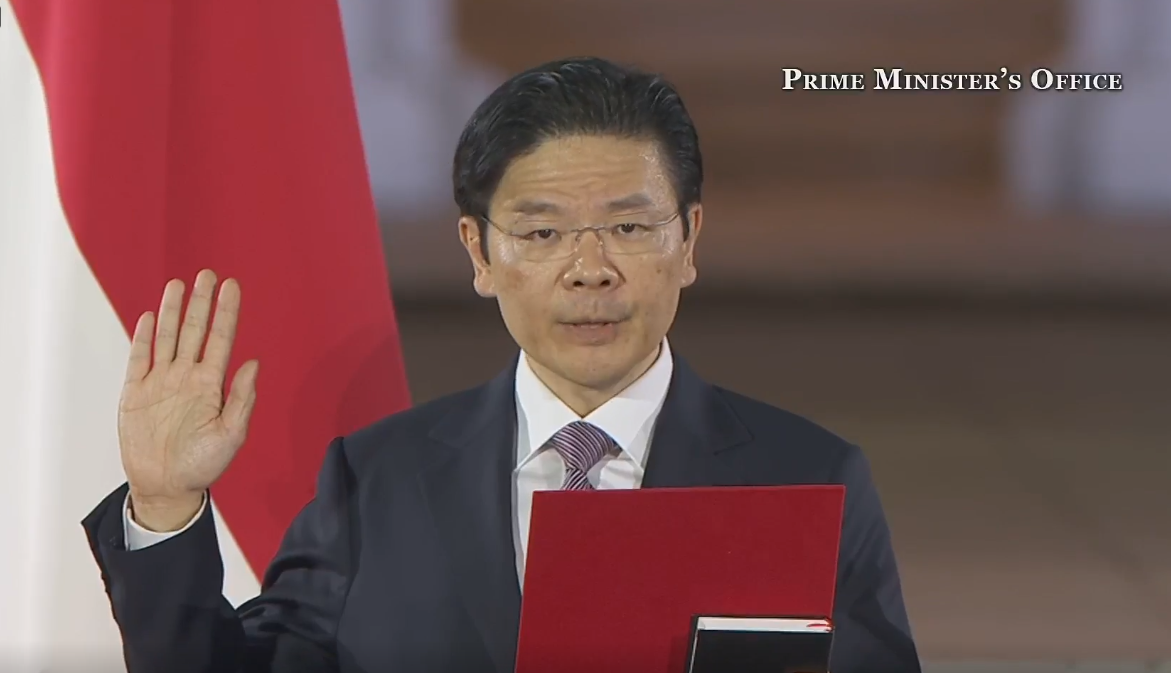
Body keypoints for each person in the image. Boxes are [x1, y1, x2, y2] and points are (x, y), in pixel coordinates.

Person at [82, 57, 921, 673]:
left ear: (688, 240)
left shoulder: (808, 477)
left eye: (629, 228)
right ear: (478, 253)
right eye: (543, 232)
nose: (590, 268)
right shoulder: (376, 480)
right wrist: (164, 505)